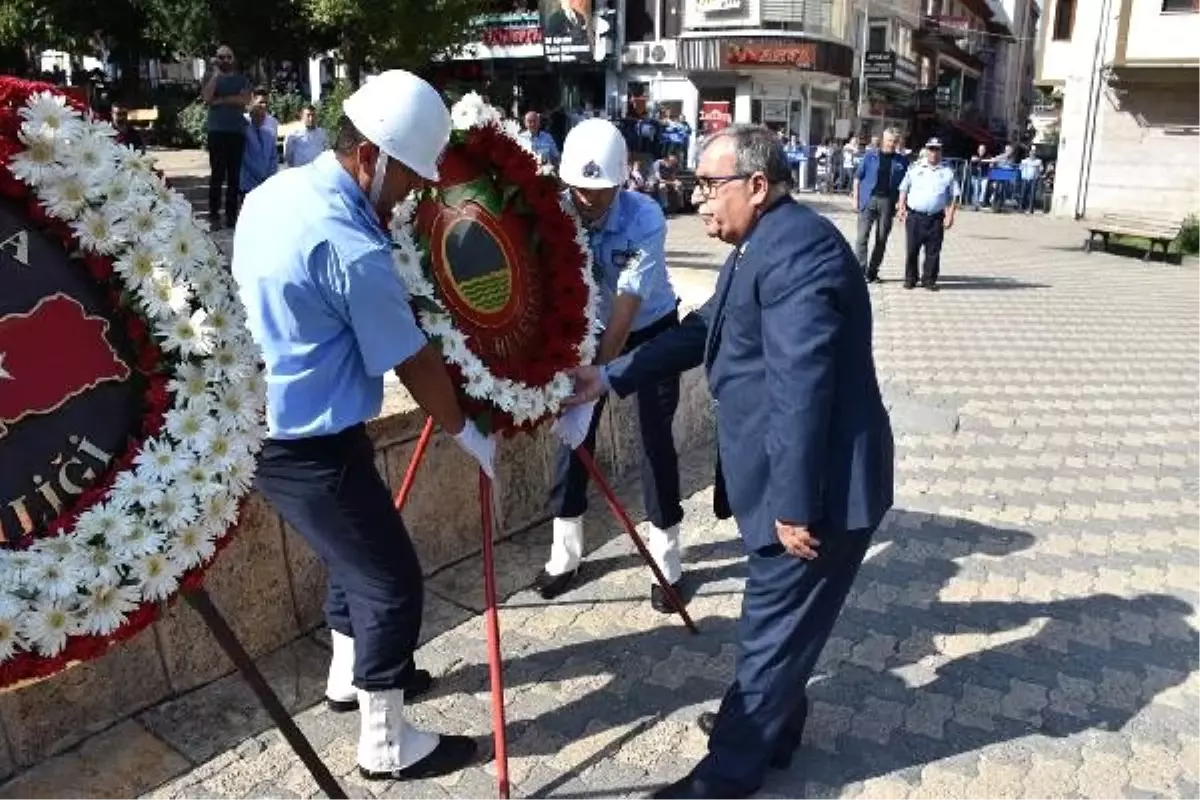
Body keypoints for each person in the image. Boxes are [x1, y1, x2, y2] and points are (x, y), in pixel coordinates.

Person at [563, 124, 894, 800]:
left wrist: (794, 505)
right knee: (786, 621)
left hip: (819, 491)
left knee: (771, 625)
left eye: (710, 186)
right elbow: (700, 330)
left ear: (758, 185)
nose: (699, 200)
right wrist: (612, 376)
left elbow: (803, 387)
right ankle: (774, 728)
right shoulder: (761, 244)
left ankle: (727, 773)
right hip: (798, 478)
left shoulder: (798, 256)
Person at [232, 70, 496, 782]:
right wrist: (464, 430)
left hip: (284, 423)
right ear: (371, 156)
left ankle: (350, 679)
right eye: (409, 177)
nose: (411, 193)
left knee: (357, 559)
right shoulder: (351, 245)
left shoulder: (273, 192)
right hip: (305, 443)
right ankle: (385, 744)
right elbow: (409, 358)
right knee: (391, 581)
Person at [536, 119, 687, 611]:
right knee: (573, 433)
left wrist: (598, 375)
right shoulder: (556, 209)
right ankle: (566, 552)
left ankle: (666, 558)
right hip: (586, 330)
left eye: (599, 191)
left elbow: (626, 305)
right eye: (578, 188)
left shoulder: (645, 217)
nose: (587, 200)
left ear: (622, 181)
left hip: (648, 330)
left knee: (653, 439)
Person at [898, 137, 960, 291]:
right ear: (926, 151)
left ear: (941, 151)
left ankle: (929, 280)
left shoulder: (947, 172)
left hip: (936, 217)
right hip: (915, 216)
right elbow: (904, 188)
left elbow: (954, 196)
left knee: (933, 251)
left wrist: (950, 215)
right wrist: (901, 207)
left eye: (937, 149)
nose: (933, 153)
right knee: (912, 249)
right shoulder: (915, 168)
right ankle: (911, 278)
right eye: (931, 149)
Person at [202, 44, 251, 229]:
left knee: (234, 176)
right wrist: (215, 75)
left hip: (236, 131)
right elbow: (207, 98)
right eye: (221, 57)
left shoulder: (241, 79)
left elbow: (245, 99)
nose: (225, 60)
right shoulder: (209, 77)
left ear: (234, 59)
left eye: (228, 57)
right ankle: (214, 214)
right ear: (216, 58)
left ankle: (231, 215)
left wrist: (221, 100)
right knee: (217, 174)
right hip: (216, 131)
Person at [852, 127, 909, 283]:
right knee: (862, 237)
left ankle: (872, 272)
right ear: (884, 140)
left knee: (881, 238)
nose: (892, 144)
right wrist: (855, 198)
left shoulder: (902, 161)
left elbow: (905, 185)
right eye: (889, 140)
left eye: (895, 141)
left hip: (888, 203)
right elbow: (858, 177)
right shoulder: (870, 156)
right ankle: (860, 271)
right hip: (869, 199)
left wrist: (901, 205)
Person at [239, 88, 279, 199]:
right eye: (261, 102)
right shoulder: (243, 125)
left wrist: (270, 176)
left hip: (266, 182)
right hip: (248, 182)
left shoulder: (271, 127)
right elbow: (243, 156)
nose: (264, 106)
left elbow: (273, 156)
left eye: (266, 103)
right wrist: (259, 174)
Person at [283, 104, 329, 168]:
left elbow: (326, 151)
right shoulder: (293, 133)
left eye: (313, 115)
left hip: (318, 170)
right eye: (308, 115)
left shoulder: (322, 132)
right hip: (301, 171)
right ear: (302, 116)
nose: (311, 118)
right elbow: (288, 154)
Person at [1018, 149, 1044, 214]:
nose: (1032, 155)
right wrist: (1022, 165)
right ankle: (1021, 208)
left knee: (1032, 194)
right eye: (1031, 154)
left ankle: (1030, 209)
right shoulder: (1024, 161)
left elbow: (1041, 169)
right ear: (1029, 154)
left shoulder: (1038, 161)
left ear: (1035, 155)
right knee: (1023, 193)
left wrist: (1039, 169)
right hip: (1025, 178)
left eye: (1033, 154)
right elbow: (1020, 168)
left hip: (1034, 179)